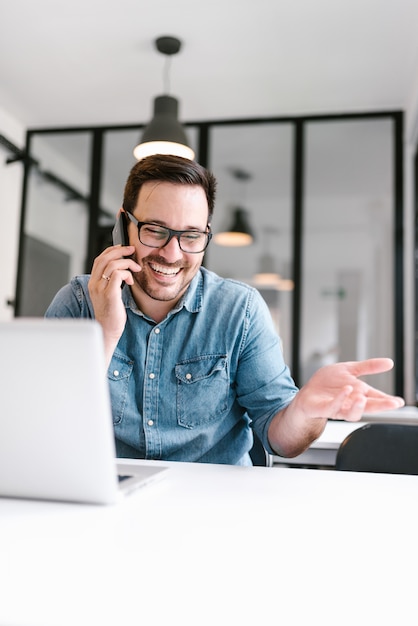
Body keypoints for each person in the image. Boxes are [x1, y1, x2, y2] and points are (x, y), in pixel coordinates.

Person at [45, 154, 404, 465]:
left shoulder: (240, 311)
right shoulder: (77, 303)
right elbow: (47, 428)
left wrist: (307, 411)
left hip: (215, 507)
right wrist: (105, 334)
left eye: (191, 235)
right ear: (124, 225)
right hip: (108, 502)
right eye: (155, 230)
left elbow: (283, 441)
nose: (172, 253)